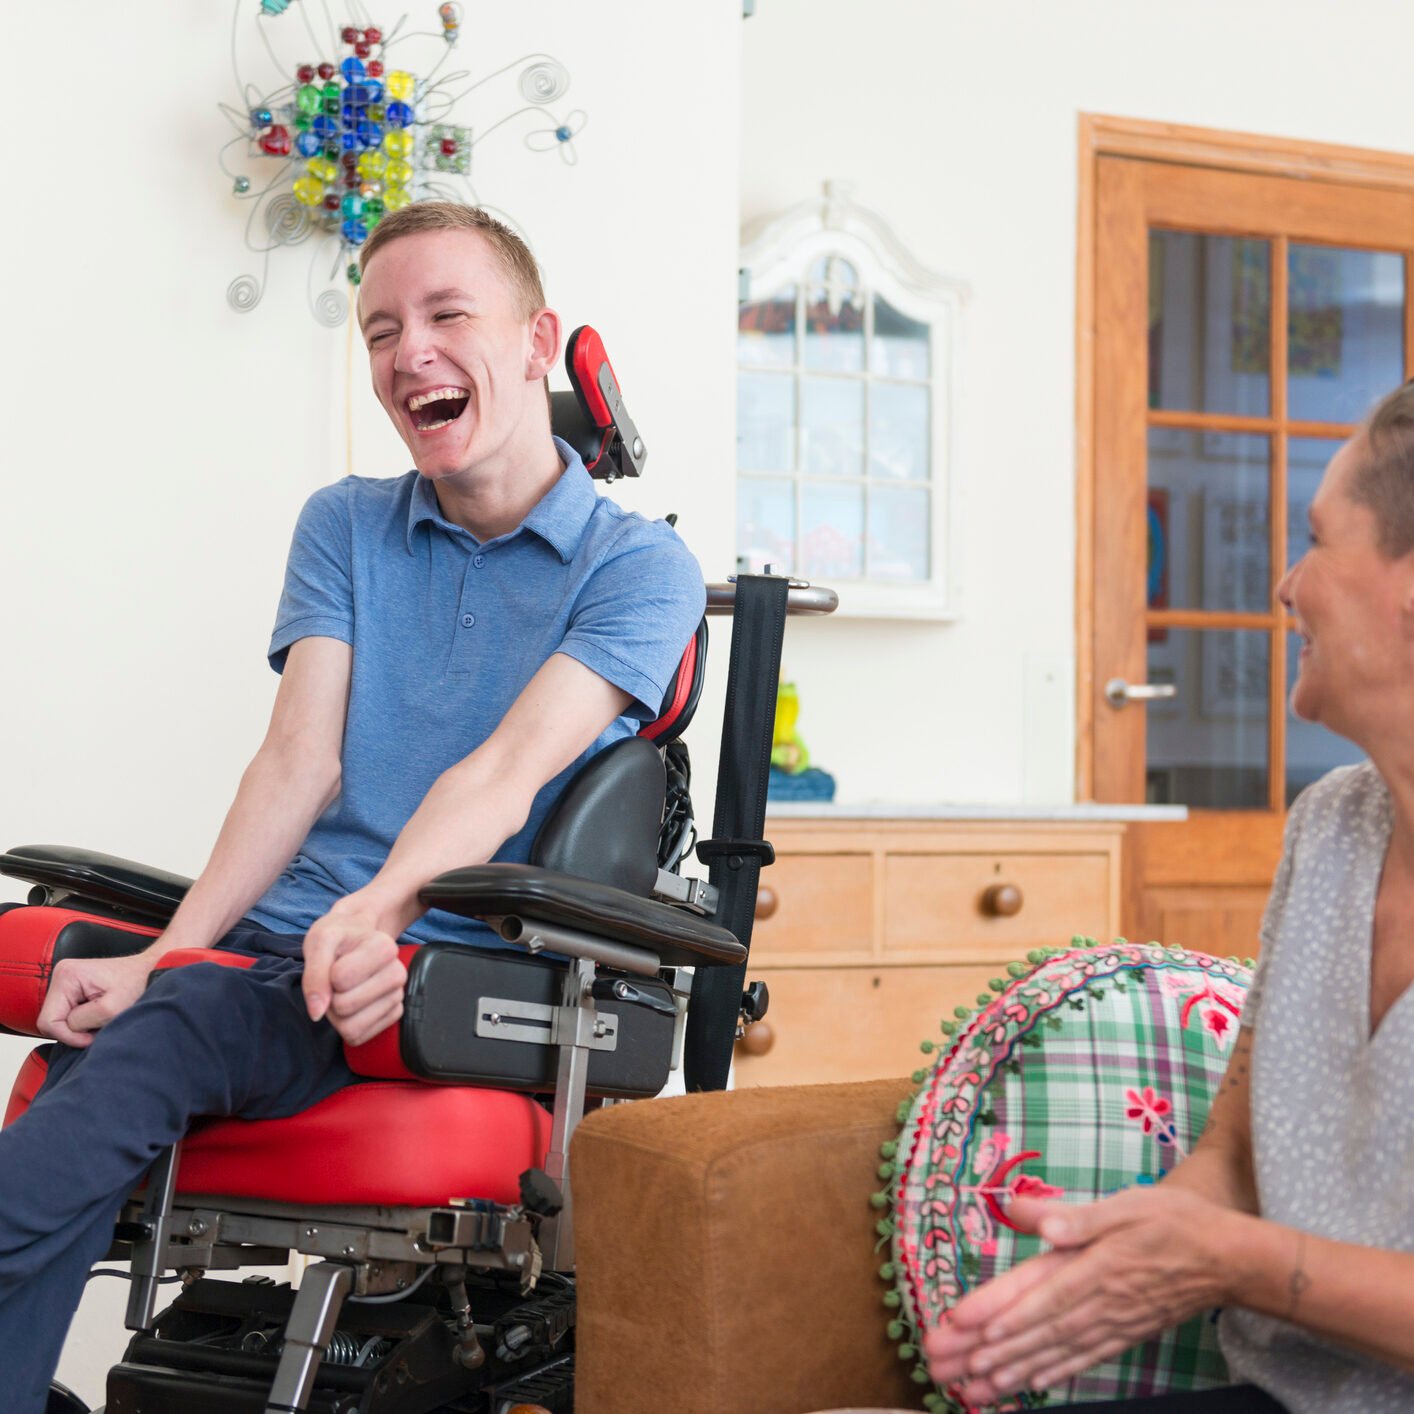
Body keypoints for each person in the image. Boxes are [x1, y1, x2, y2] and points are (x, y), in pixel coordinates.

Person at [0, 201, 704, 1411]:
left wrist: (378, 908)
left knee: (151, 1038)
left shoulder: (638, 569)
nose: (406, 352)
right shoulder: (345, 525)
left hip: (452, 981)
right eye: (380, 328)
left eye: (445, 315)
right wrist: (174, 947)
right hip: (287, 963)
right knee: (112, 1049)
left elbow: (503, 770)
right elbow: (297, 765)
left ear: (538, 343)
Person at [924, 381, 1414, 1413]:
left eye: (1318, 541)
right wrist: (1131, 1253)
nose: (1286, 585)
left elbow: (1235, 1245)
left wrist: (1235, 1261)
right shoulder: (1330, 826)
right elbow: (1236, 1148)